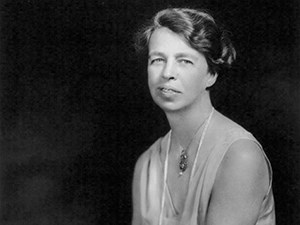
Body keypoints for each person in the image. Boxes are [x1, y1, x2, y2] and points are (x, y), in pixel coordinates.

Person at [132, 8, 275, 225]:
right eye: (158, 60)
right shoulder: (148, 164)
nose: (167, 73)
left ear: (211, 74)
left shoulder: (239, 155)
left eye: (184, 61)